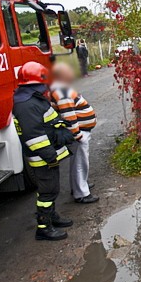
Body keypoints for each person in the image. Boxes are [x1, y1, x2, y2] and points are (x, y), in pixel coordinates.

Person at [12, 61, 76, 241]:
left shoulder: (30, 98)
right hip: (43, 157)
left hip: (46, 155)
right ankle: (44, 227)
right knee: (47, 191)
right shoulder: (27, 104)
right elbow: (34, 136)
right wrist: (50, 156)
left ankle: (52, 217)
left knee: (51, 188)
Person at [50, 62, 99, 204]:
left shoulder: (61, 89)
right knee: (80, 163)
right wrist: (77, 135)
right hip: (80, 133)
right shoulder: (62, 92)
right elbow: (69, 116)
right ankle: (81, 193)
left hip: (81, 131)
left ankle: (79, 186)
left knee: (77, 162)